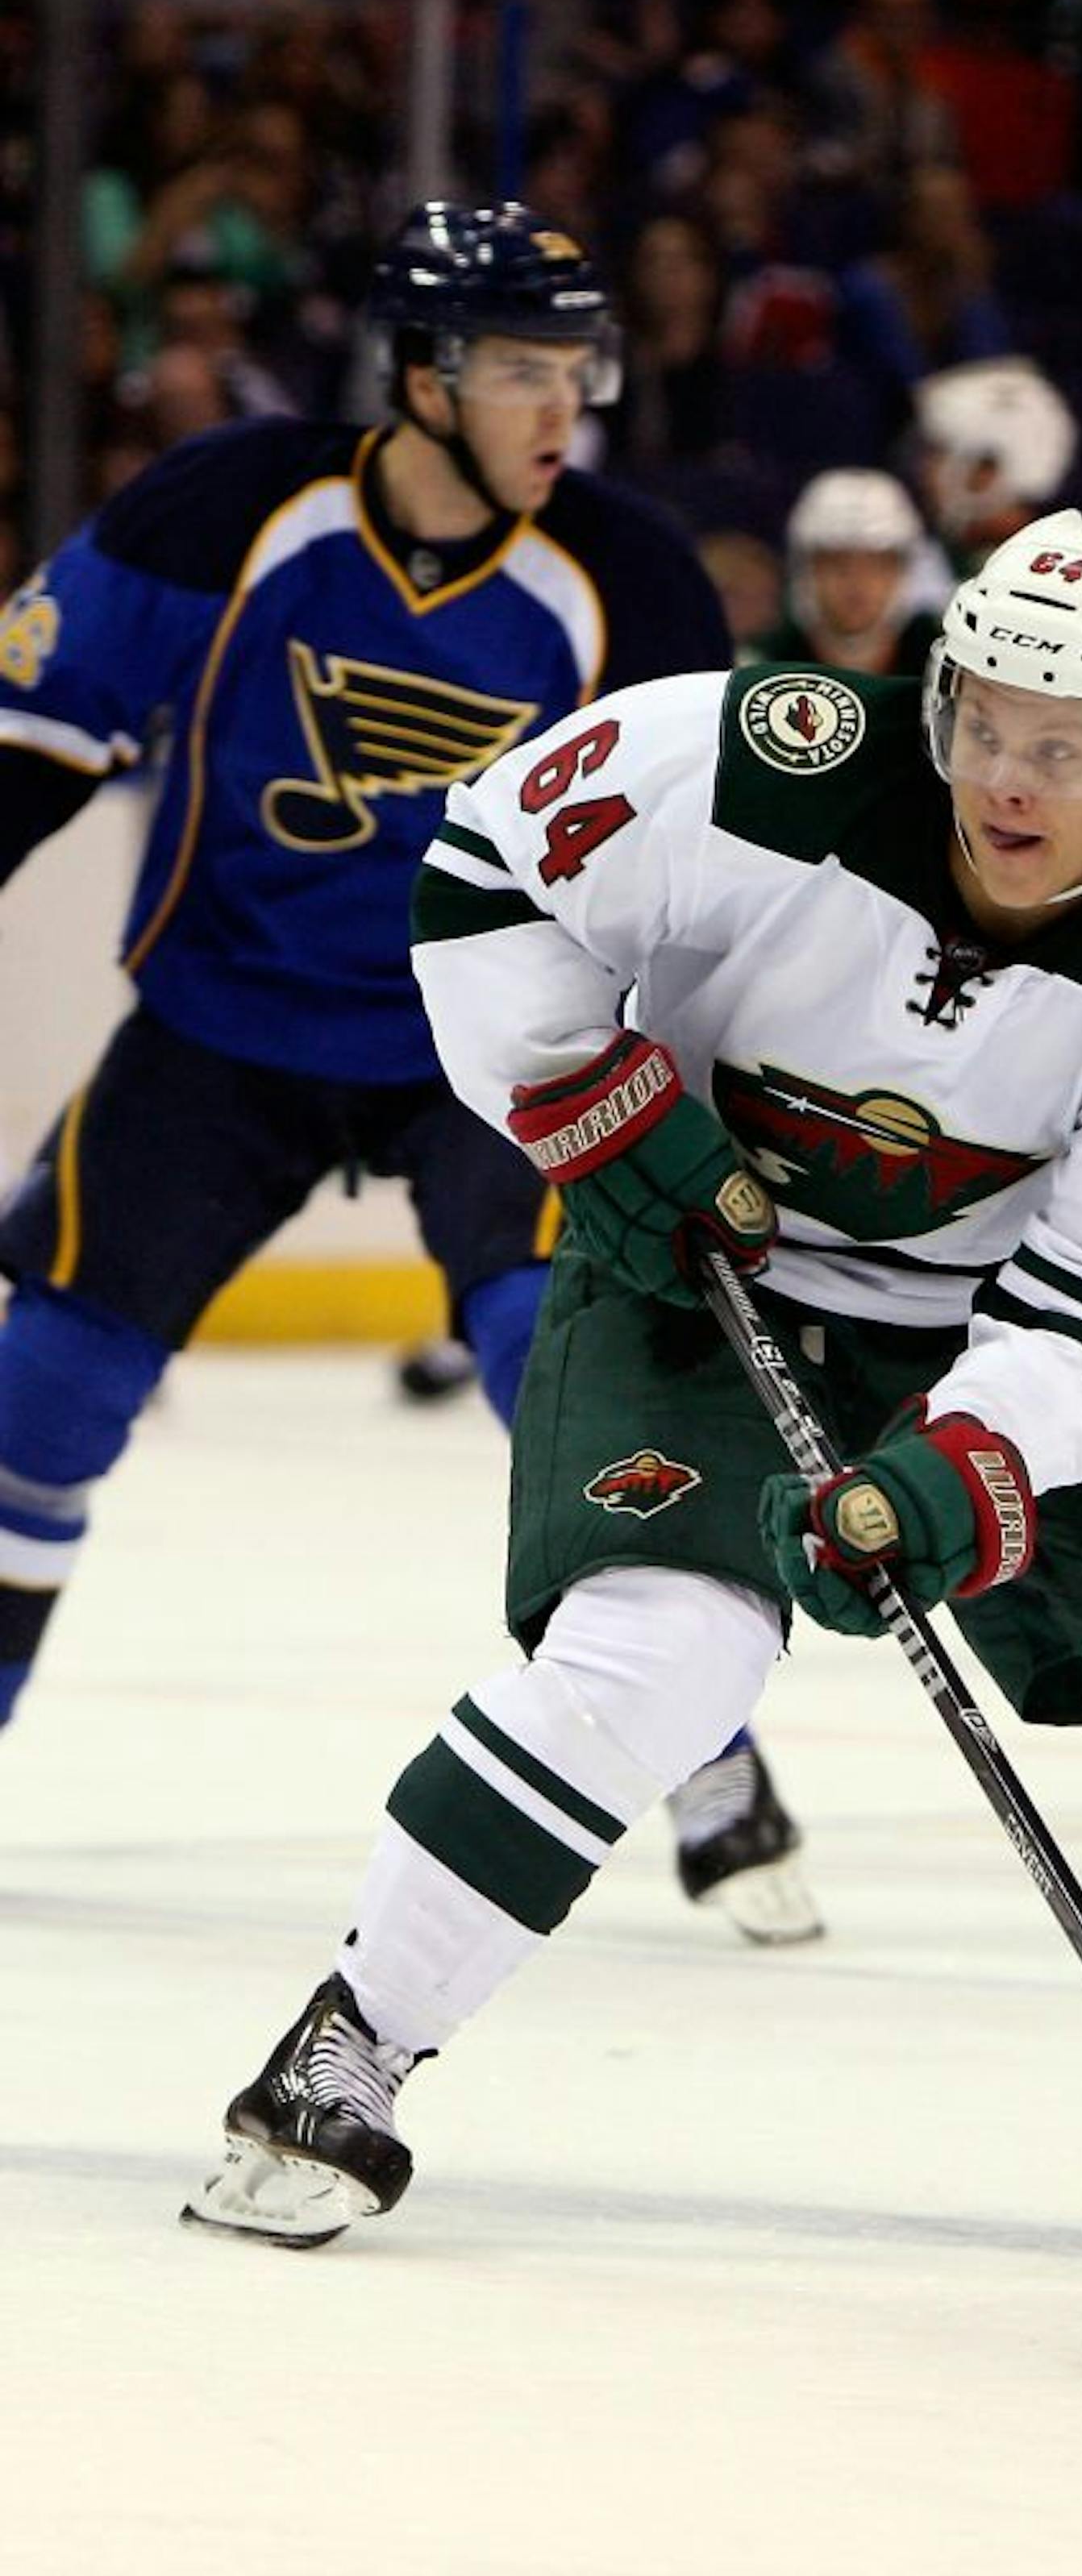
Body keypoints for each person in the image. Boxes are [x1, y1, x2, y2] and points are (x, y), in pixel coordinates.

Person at [183, 509, 1082, 2260]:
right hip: (699, 1276)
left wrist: (958, 1464)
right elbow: (491, 864)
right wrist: (579, 1094)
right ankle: (348, 2044)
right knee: (659, 1650)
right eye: (986, 721)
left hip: (1001, 1331)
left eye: (1067, 746)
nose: (1009, 776)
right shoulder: (762, 756)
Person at [0, 199, 818, 1946]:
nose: (563, 408)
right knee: (43, 1389)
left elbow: (716, 877)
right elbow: (29, 744)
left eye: (579, 371)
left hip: (505, 1044)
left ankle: (710, 1750)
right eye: (523, 369)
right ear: (424, 375)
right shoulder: (223, 510)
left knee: (554, 1361)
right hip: (227, 1021)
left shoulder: (631, 579)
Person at [747, 467, 938, 674]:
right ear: (805, 570)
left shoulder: (942, 664)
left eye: (876, 565)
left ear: (903, 571)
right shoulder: (759, 666)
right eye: (837, 563)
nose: (857, 581)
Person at [910, 355, 1077, 581]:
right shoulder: (925, 557)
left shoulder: (1057, 574)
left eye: (939, 453)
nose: (924, 470)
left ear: (985, 473)